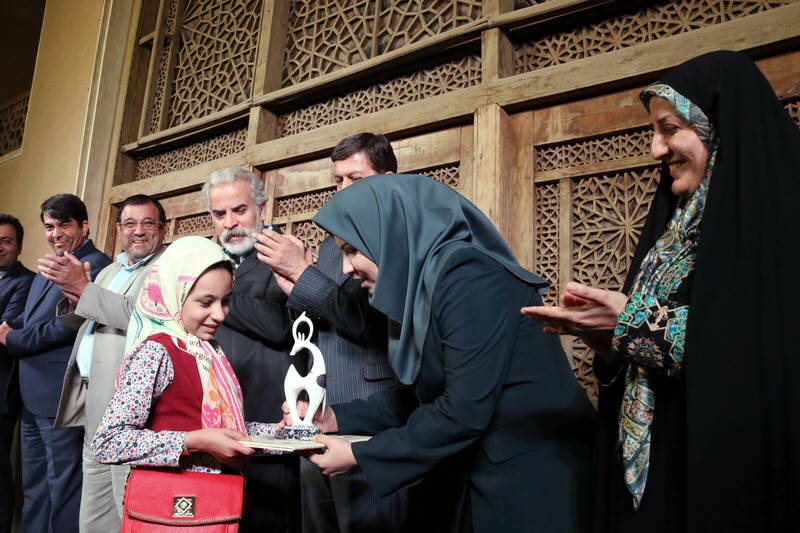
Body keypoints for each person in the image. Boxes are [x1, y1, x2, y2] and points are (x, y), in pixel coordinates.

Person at [522, 51, 800, 531]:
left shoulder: (782, 219)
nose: (656, 149)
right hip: (655, 473)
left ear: (716, 125)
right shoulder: (670, 231)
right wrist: (609, 343)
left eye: (670, 129)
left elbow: (768, 347)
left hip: (725, 473)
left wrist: (637, 324)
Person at [291, 174, 595, 532]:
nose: (345, 268)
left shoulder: (466, 273)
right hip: (475, 478)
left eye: (352, 250)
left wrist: (360, 455)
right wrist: (333, 418)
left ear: (387, 235)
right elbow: (421, 398)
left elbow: (463, 410)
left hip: (528, 485)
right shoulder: (423, 285)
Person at [255, 133, 411, 532]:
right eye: (338, 180)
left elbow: (373, 323)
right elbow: (318, 320)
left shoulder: (400, 237)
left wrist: (302, 274)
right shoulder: (330, 243)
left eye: (354, 179)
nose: (342, 190)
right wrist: (295, 288)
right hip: (319, 408)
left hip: (372, 408)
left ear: (387, 180)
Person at [91, 236, 278, 523]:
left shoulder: (206, 352)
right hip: (169, 511)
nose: (219, 315)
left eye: (226, 302)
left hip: (214, 506)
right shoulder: (156, 351)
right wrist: (193, 441)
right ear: (172, 294)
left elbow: (222, 428)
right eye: (206, 302)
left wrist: (283, 433)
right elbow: (108, 442)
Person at [40, 194, 166, 532]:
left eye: (148, 223)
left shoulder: (166, 269)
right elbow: (89, 317)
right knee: (93, 512)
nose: (138, 231)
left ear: (162, 229)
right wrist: (73, 298)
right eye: (130, 223)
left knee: (126, 505)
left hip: (130, 406)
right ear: (119, 229)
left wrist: (83, 288)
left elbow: (142, 317)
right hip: (93, 397)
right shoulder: (111, 269)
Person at [0, 194, 112, 533]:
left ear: (84, 226)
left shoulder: (96, 264)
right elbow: (29, 318)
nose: (56, 233)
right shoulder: (50, 264)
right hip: (32, 394)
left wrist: (12, 339)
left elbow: (69, 325)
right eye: (49, 227)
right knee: (35, 490)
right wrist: (10, 328)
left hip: (62, 395)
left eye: (64, 225)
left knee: (63, 489)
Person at [202, 168, 299, 531]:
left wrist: (206, 294)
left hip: (269, 418)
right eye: (220, 214)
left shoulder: (284, 254)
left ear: (262, 208)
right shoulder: (212, 259)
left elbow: (277, 324)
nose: (230, 223)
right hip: (217, 421)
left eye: (239, 210)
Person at [0, 214, 35, 533]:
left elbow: (5, 330)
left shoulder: (26, 281)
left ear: (19, 246)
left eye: (6, 241)